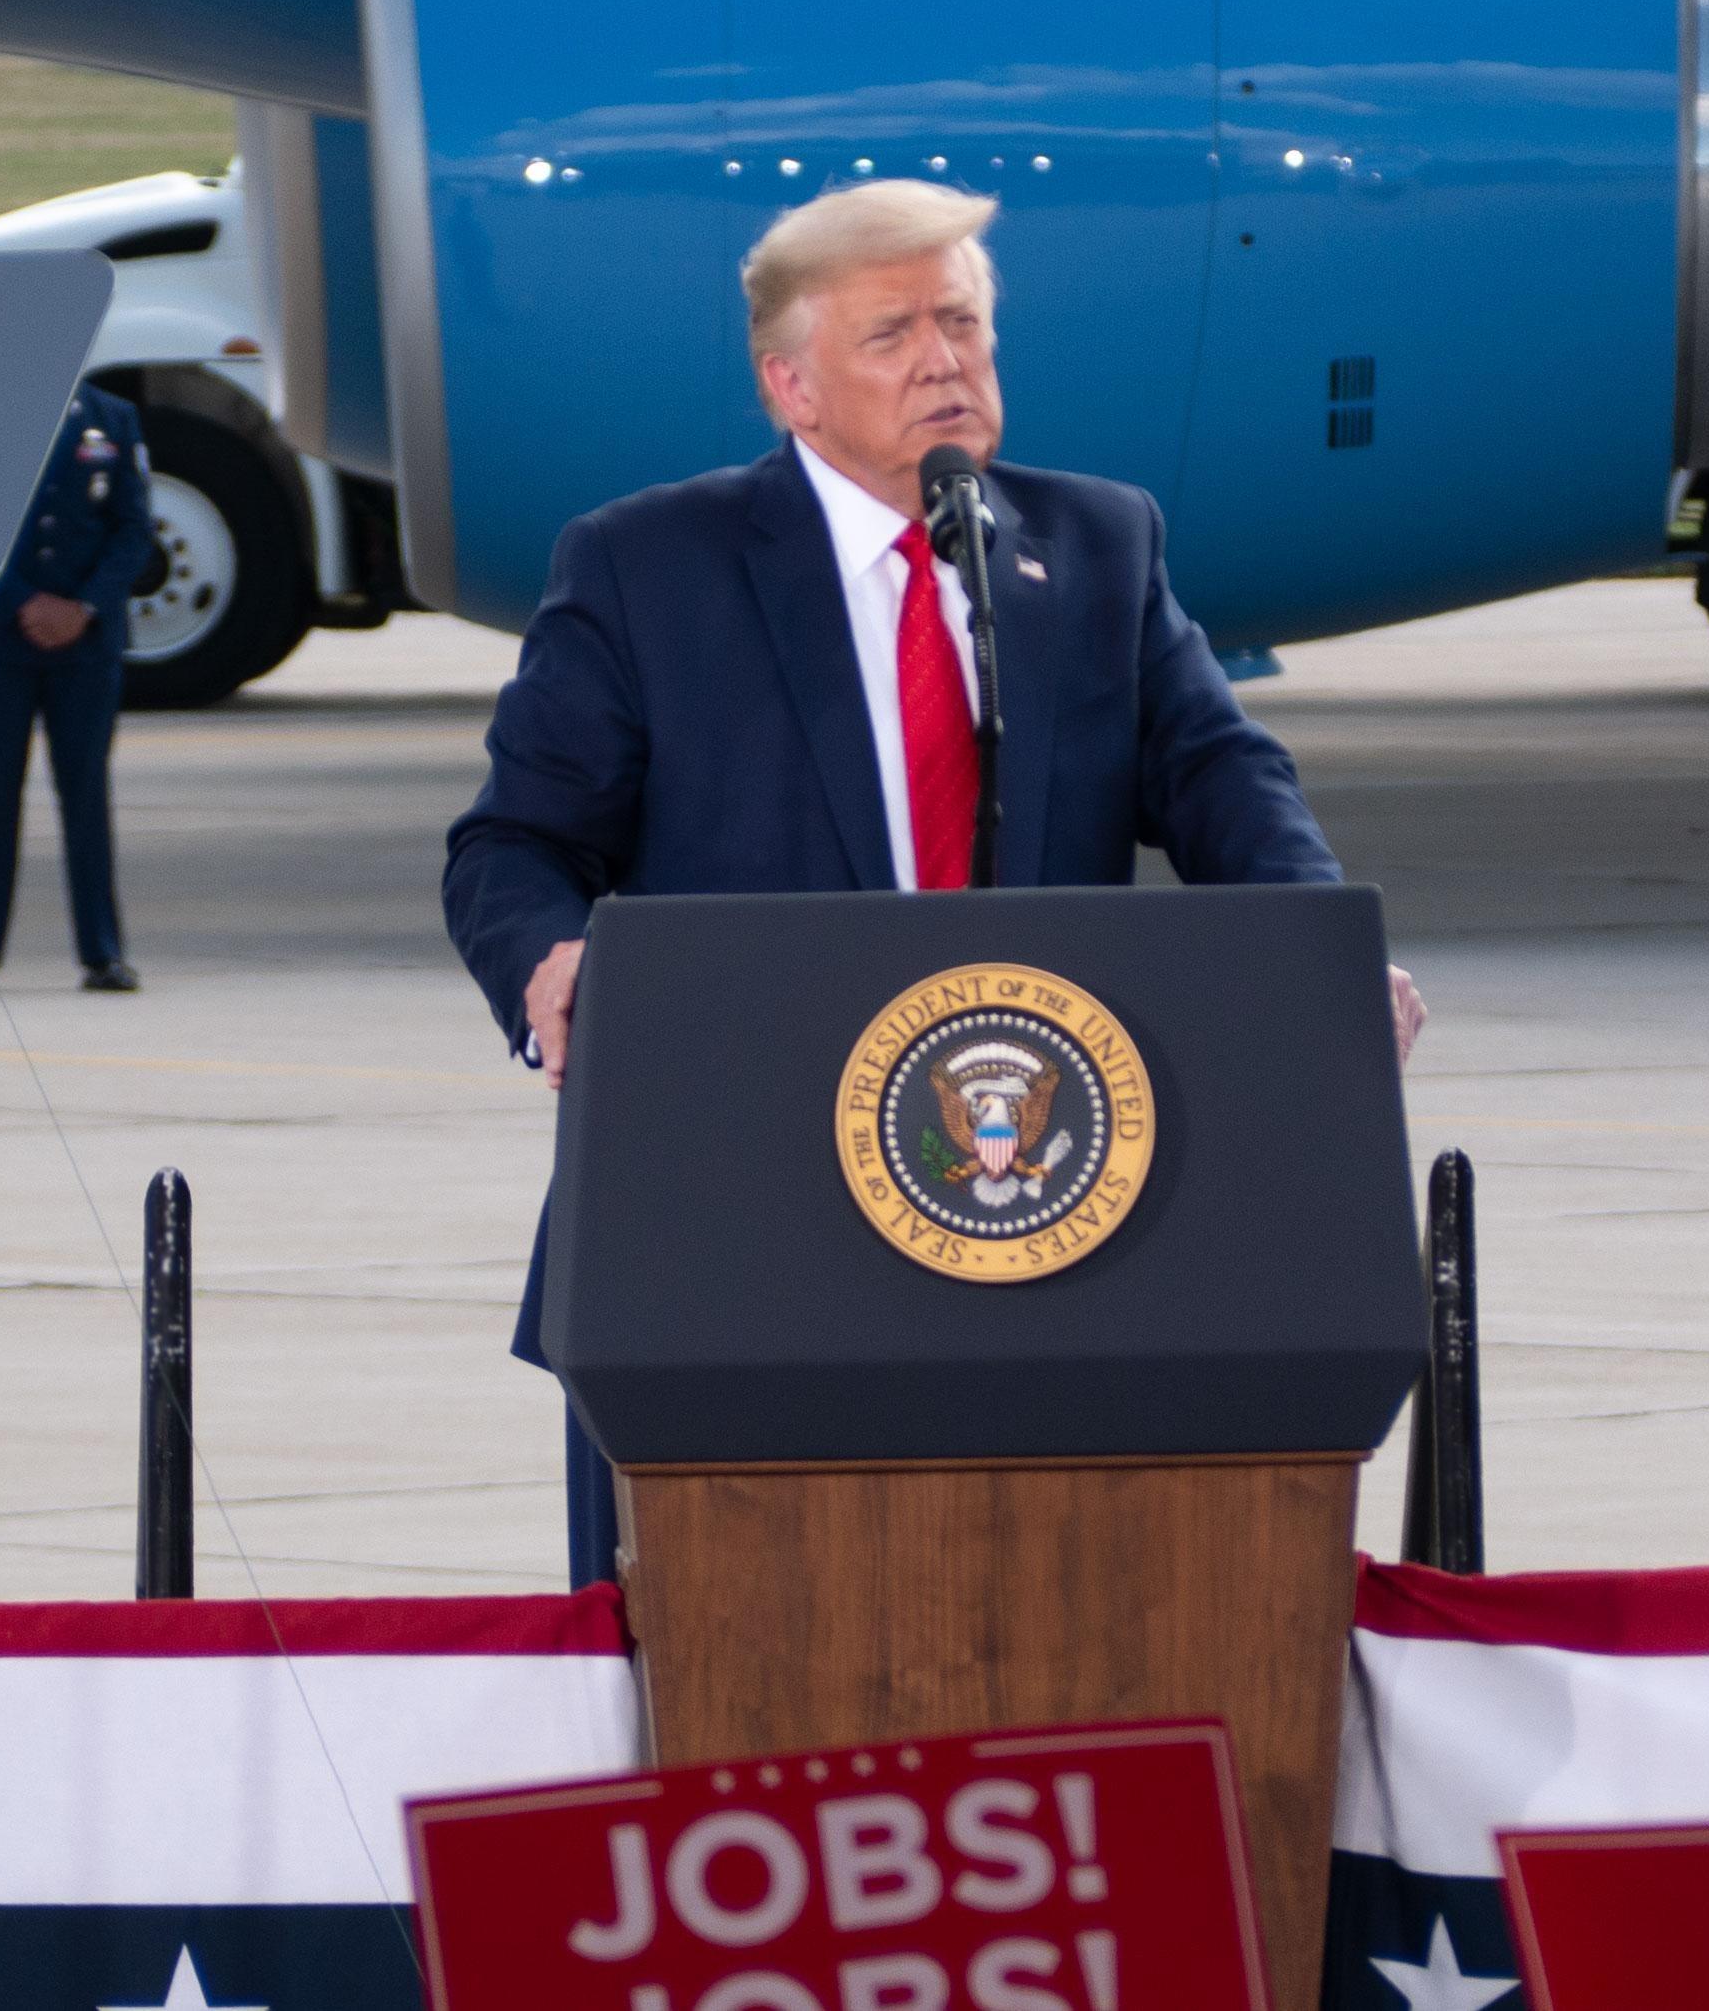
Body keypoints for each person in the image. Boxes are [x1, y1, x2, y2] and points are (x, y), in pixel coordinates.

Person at [442, 179, 1426, 1587]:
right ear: (790, 385)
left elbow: (1220, 777)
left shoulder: (1096, 547)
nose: (944, 362)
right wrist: (548, 966)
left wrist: (1312, 950)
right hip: (732, 1220)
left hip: (1046, 1215)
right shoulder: (647, 566)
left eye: (962, 324)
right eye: (892, 333)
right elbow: (512, 845)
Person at [0, 384, 156, 993]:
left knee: (85, 791)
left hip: (84, 641)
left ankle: (102, 951)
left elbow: (133, 529)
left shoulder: (112, 418)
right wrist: (22, 602)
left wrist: (83, 606)